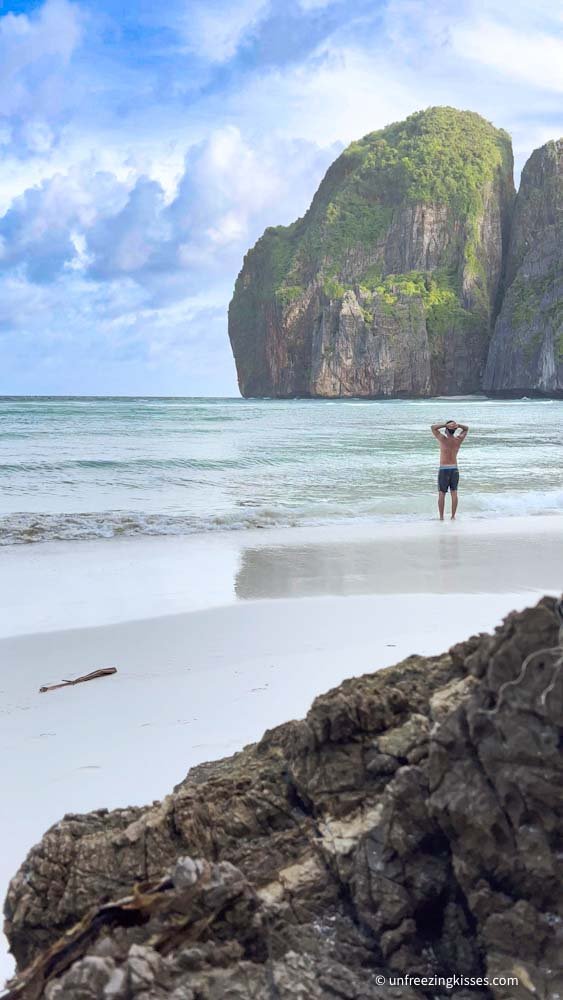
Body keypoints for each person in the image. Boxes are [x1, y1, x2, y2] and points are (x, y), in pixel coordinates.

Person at [430, 419, 469, 521]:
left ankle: (442, 517)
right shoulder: (458, 440)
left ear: (446, 430)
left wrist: (445, 425)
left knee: (442, 493)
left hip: (444, 469)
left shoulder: (443, 439)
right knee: (454, 492)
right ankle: (453, 516)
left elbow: (433, 427)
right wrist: (457, 425)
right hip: (454, 468)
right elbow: (466, 429)